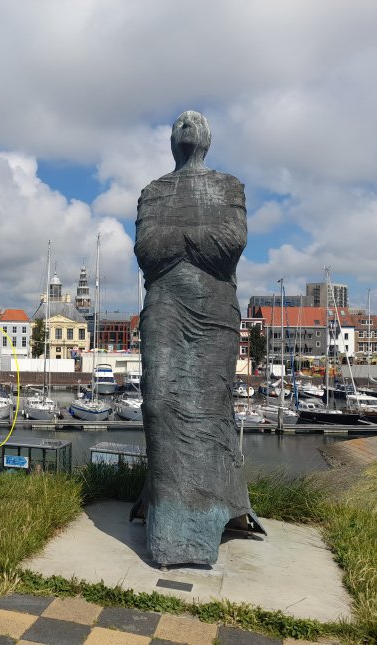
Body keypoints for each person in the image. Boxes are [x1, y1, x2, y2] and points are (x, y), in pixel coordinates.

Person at [133, 111, 263, 566]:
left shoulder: (229, 186)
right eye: (179, 122)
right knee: (158, 401)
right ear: (171, 139)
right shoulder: (154, 190)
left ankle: (206, 515)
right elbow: (147, 251)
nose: (187, 123)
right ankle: (171, 516)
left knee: (210, 407)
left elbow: (231, 243)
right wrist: (195, 242)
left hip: (214, 311)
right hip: (166, 303)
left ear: (207, 137)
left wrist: (177, 240)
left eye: (196, 120)